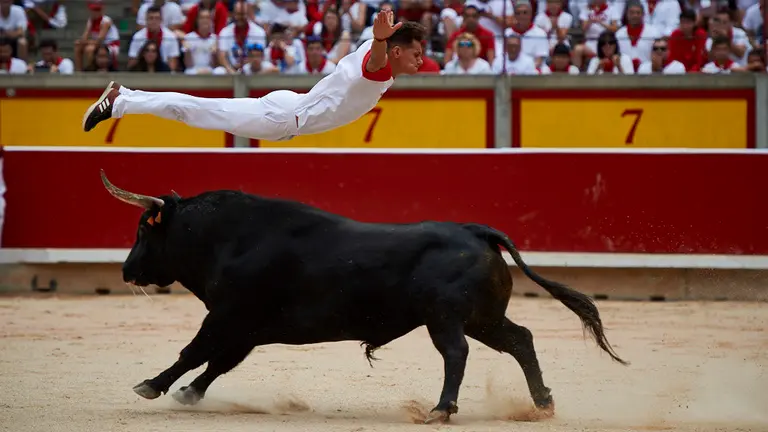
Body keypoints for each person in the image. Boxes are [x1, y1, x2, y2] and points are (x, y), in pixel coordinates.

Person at [82, 9, 425, 142]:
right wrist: (381, 39)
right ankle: (121, 101)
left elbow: (377, 55)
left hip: (289, 110)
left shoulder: (375, 51)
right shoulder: (378, 62)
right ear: (396, 51)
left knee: (197, 111)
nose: (422, 61)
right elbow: (376, 62)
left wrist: (380, 39)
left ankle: (124, 99)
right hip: (283, 117)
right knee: (193, 111)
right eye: (416, 53)